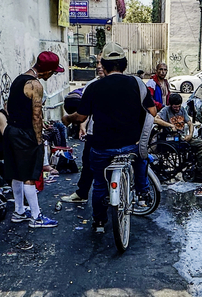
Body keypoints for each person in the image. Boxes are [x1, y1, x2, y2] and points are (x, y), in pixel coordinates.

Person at [62, 42, 157, 233]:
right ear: (124, 64)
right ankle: (142, 189)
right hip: (130, 144)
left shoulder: (94, 88)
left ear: (103, 65)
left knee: (99, 183)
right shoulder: (137, 83)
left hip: (101, 147)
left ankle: (98, 222)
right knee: (141, 156)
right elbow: (152, 111)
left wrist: (67, 118)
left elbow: (80, 117)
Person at [4, 51, 63, 228]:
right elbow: (36, 116)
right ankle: (36, 217)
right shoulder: (35, 85)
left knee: (16, 172)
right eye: (53, 72)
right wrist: (38, 139)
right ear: (46, 71)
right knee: (30, 174)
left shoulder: (19, 79)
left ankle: (19, 211)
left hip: (11, 130)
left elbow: (9, 106)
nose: (52, 75)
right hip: (25, 133)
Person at [61, 61, 106, 203]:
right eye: (97, 63)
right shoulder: (91, 85)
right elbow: (85, 112)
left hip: (114, 133)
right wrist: (82, 126)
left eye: (102, 63)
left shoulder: (123, 84)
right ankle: (82, 193)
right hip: (94, 132)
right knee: (88, 163)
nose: (99, 66)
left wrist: (68, 118)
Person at [155, 93, 202, 181]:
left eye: (178, 106)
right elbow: (155, 119)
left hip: (183, 138)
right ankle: (199, 172)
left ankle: (200, 170)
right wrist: (170, 125)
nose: (177, 109)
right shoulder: (166, 110)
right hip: (172, 139)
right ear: (170, 105)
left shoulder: (182, 110)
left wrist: (190, 134)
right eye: (175, 107)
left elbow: (190, 123)